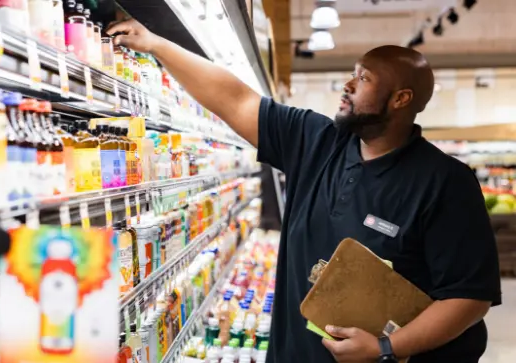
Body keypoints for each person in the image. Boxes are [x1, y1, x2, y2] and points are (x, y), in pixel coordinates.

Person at [107, 19, 502, 363]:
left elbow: (468, 299)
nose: (346, 85)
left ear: (401, 99)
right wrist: (156, 44)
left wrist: (387, 347)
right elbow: (237, 99)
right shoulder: (316, 141)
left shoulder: (446, 183)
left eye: (363, 78)